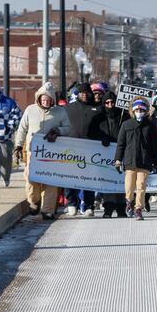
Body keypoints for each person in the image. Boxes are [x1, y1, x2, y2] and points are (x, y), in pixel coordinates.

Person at [13, 82, 61, 220]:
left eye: (48, 99)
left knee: (51, 182)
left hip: (52, 154)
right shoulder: (30, 110)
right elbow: (22, 129)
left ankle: (48, 210)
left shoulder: (60, 112)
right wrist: (18, 145)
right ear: (39, 98)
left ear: (52, 100)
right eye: (43, 98)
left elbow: (68, 128)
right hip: (33, 153)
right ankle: (33, 201)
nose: (45, 101)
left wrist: (58, 131)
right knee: (31, 179)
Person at [56, 83, 102, 215]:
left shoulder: (97, 109)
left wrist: (103, 138)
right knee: (70, 177)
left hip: (90, 149)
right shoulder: (68, 108)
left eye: (87, 92)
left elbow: (104, 127)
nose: (85, 95)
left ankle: (89, 206)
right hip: (71, 148)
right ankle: (71, 203)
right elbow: (60, 124)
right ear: (78, 94)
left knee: (88, 179)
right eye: (82, 92)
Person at [115, 99, 157, 220]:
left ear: (145, 111)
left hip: (145, 160)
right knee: (129, 186)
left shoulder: (150, 126)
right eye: (137, 110)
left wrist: (156, 162)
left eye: (141, 110)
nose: (139, 112)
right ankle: (129, 201)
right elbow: (121, 144)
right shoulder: (126, 124)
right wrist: (118, 159)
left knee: (141, 185)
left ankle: (138, 209)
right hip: (130, 160)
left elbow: (154, 146)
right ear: (133, 111)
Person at [88, 89, 128, 217]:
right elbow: (91, 133)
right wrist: (101, 138)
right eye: (107, 103)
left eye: (112, 102)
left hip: (120, 153)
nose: (110, 105)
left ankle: (122, 208)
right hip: (104, 154)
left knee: (120, 181)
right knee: (108, 182)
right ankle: (108, 208)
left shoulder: (123, 116)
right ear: (104, 104)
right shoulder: (98, 118)